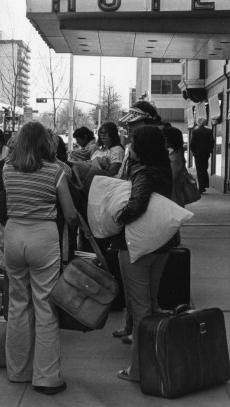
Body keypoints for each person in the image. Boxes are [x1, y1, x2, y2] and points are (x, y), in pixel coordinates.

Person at [3, 121, 77, 395]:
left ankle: (18, 371)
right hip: (43, 236)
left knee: (18, 303)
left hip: (13, 234)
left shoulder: (7, 169)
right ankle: (46, 377)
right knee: (46, 306)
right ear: (46, 142)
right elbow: (69, 214)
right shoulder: (55, 171)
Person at [112, 125, 172, 383]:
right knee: (151, 304)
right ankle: (157, 363)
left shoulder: (143, 171)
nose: (129, 145)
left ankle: (138, 370)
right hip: (161, 244)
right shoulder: (163, 168)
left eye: (133, 142)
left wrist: (117, 217)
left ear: (142, 147)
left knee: (140, 310)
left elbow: (136, 204)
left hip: (137, 245)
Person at [190, 118, 214, 193]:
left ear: (198, 123)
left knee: (199, 170)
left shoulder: (195, 131)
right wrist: (209, 151)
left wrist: (193, 152)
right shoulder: (209, 131)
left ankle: (201, 187)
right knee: (204, 168)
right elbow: (212, 142)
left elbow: (192, 143)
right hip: (205, 153)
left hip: (197, 154)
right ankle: (203, 186)